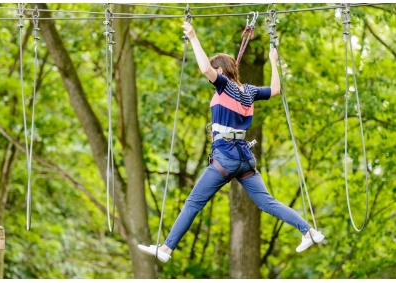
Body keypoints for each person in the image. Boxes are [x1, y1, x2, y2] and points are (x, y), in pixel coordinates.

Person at [138, 21, 324, 263]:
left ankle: (165, 249)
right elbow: (276, 89)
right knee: (267, 202)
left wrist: (194, 37)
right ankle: (308, 231)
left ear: (221, 73)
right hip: (245, 158)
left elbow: (206, 69)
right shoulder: (248, 90)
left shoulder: (223, 86)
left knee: (193, 202)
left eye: (216, 74)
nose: (211, 79)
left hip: (225, 156)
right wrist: (273, 63)